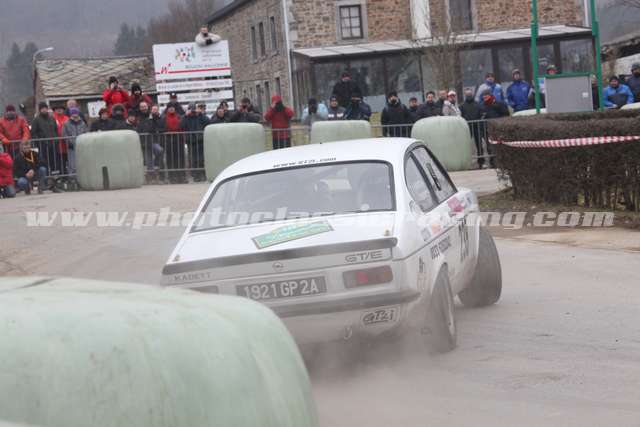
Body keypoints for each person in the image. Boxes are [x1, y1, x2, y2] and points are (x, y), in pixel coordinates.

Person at [480, 89, 509, 168]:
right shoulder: (482, 106)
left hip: (498, 129)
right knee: (490, 147)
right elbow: (481, 118)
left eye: (486, 96)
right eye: (484, 97)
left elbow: (505, 114)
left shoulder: (499, 104)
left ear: (491, 95)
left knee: (500, 146)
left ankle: (502, 162)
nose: (485, 98)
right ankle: (493, 163)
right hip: (487, 129)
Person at [137, 103, 165, 183]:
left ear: (147, 107)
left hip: (153, 140)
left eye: (145, 106)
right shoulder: (139, 117)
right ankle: (151, 177)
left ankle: (156, 166)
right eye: (142, 107)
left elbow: (157, 125)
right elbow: (139, 129)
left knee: (160, 151)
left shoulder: (152, 116)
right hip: (144, 141)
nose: (144, 108)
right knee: (148, 160)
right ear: (140, 108)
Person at [181, 103, 208, 181]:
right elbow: (181, 125)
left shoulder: (200, 116)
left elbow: (207, 122)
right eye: (191, 110)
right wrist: (185, 115)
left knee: (202, 159)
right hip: (191, 141)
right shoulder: (186, 117)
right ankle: (196, 176)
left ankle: (203, 175)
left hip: (200, 140)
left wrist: (201, 113)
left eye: (194, 109)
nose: (193, 112)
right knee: (193, 160)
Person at [30, 102, 59, 170]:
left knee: (54, 160)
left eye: (45, 108)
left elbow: (55, 130)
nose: (44, 110)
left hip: (53, 143)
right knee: (44, 161)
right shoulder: (36, 120)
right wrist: (39, 141)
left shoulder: (52, 118)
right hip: (43, 144)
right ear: (40, 110)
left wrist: (56, 140)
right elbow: (33, 132)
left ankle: (54, 173)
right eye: (42, 108)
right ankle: (47, 174)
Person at [460, 88, 485, 168]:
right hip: (467, 128)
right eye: (467, 94)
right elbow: (460, 116)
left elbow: (482, 114)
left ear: (472, 94)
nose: (469, 96)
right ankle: (467, 163)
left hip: (477, 127)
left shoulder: (478, 104)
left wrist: (480, 121)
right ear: (465, 95)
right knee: (466, 145)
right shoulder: (462, 106)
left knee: (479, 145)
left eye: (470, 94)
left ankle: (481, 162)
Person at [61, 108, 88, 175]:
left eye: (76, 113)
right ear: (71, 114)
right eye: (73, 113)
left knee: (82, 162)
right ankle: (72, 177)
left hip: (81, 146)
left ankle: (82, 175)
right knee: (72, 163)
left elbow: (86, 132)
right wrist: (69, 142)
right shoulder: (66, 124)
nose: (75, 114)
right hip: (71, 146)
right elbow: (64, 134)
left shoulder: (82, 123)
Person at [163, 105, 185, 183]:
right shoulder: (164, 117)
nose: (171, 109)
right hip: (168, 139)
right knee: (170, 159)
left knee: (180, 159)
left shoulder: (179, 116)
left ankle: (181, 176)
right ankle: (171, 177)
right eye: (170, 108)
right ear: (167, 109)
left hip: (179, 139)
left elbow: (182, 126)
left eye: (173, 108)